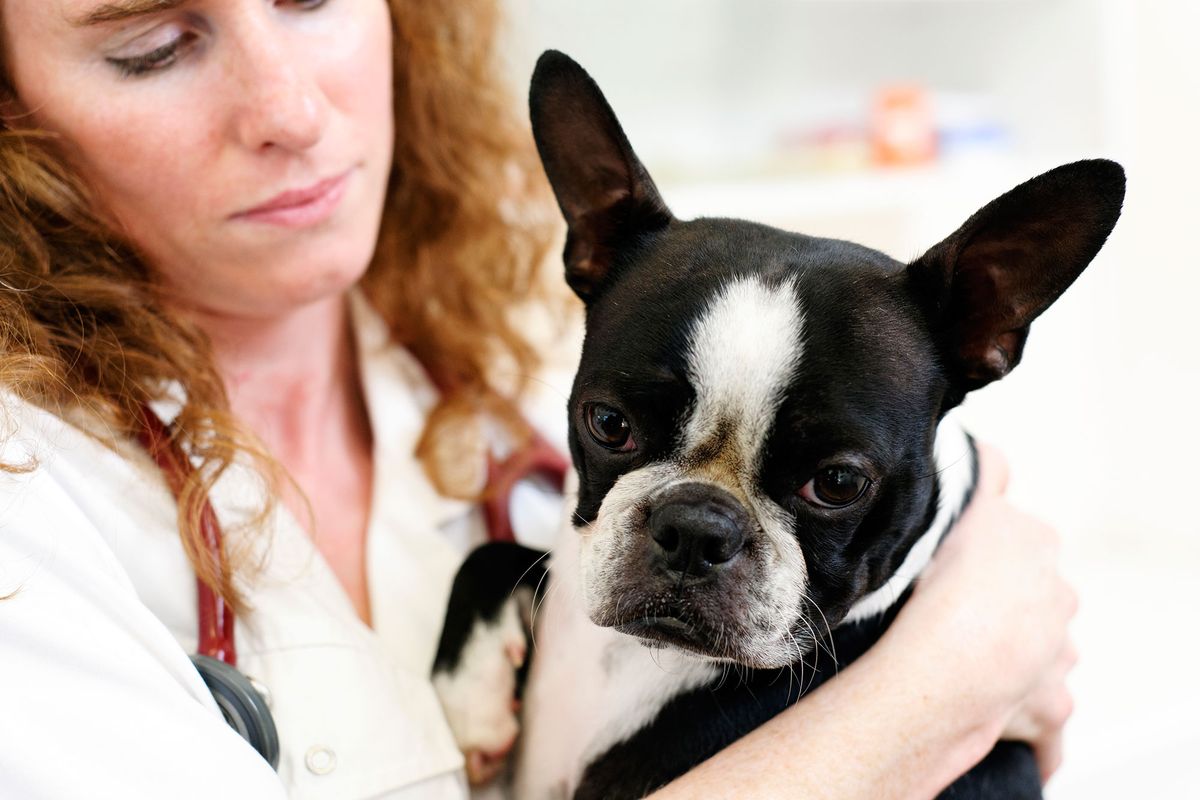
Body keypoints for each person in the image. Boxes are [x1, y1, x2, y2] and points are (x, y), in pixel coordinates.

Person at [0, 1, 1077, 798]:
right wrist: (943, 682)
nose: (287, 108)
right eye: (152, 45)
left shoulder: (494, 357)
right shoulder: (28, 504)